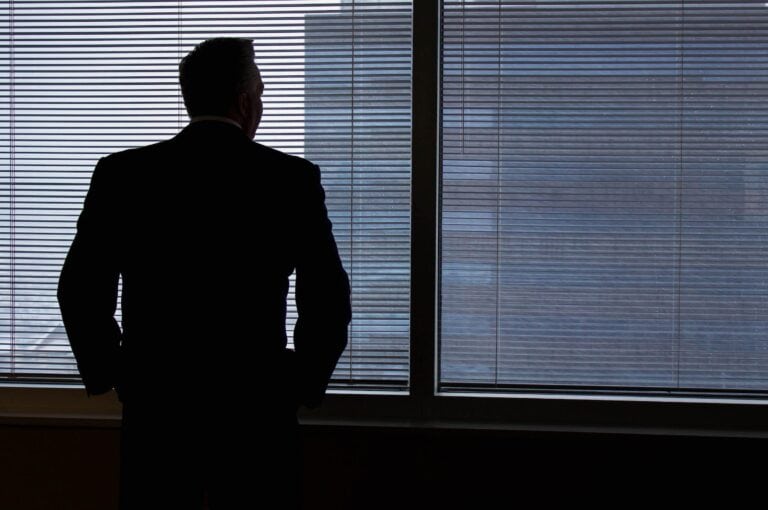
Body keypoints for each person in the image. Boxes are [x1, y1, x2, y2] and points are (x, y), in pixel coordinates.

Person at [57, 37, 351, 509]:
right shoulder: (289, 179)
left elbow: (78, 290)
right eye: (261, 92)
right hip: (256, 411)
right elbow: (328, 297)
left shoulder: (123, 175)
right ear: (244, 101)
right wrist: (299, 384)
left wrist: (114, 372)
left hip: (157, 408)